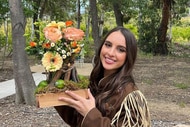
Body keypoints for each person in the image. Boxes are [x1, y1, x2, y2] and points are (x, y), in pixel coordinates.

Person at [55, 26, 151, 127]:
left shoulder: (131, 98)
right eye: (108, 45)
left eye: (121, 50)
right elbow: (77, 121)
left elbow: (89, 117)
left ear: (129, 56)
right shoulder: (96, 83)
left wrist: (91, 114)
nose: (110, 53)